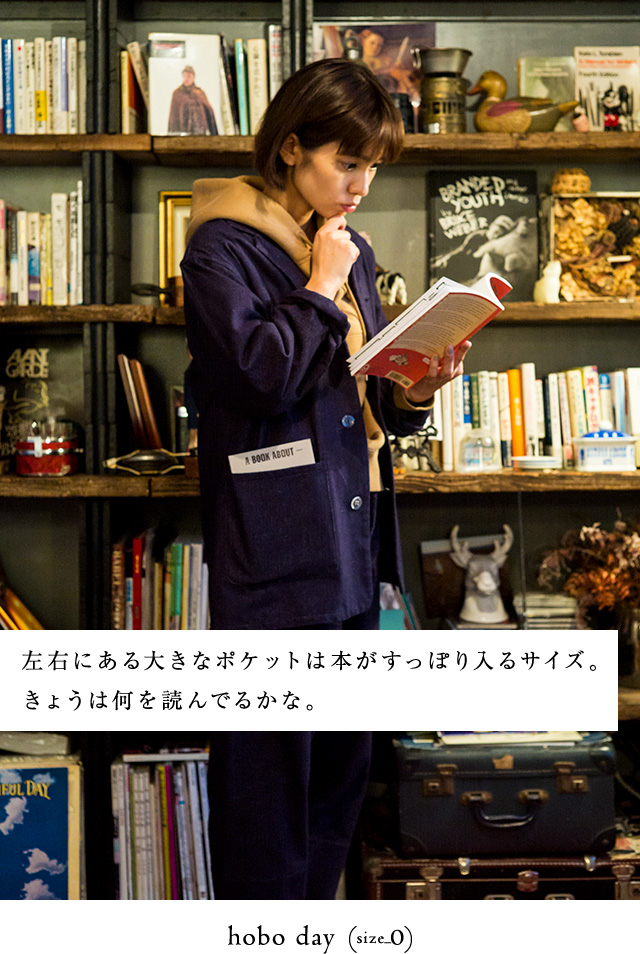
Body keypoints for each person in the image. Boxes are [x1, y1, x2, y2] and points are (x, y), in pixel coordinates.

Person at [181, 59, 469, 899]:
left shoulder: (350, 247)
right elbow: (261, 377)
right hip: (276, 546)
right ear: (292, 147)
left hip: (354, 536)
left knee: (340, 780)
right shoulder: (220, 248)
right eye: (348, 162)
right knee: (267, 788)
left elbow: (361, 391)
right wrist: (320, 284)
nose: (362, 184)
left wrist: (416, 387)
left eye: (372, 166)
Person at [167, 65, 218, 135]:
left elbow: (209, 112)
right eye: (184, 76)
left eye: (189, 76)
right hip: (183, 133)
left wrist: (213, 133)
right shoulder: (177, 94)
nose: (186, 78)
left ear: (193, 77)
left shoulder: (199, 93)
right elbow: (173, 117)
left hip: (199, 132)